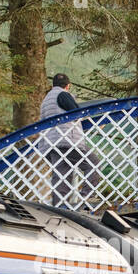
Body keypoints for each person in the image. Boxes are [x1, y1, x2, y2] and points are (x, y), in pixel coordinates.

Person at [39, 73, 94, 206]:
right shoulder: (63, 95)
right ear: (68, 86)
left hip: (51, 143)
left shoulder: (46, 100)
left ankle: (59, 206)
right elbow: (77, 114)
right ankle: (84, 198)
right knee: (93, 165)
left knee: (61, 175)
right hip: (68, 141)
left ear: (53, 85)